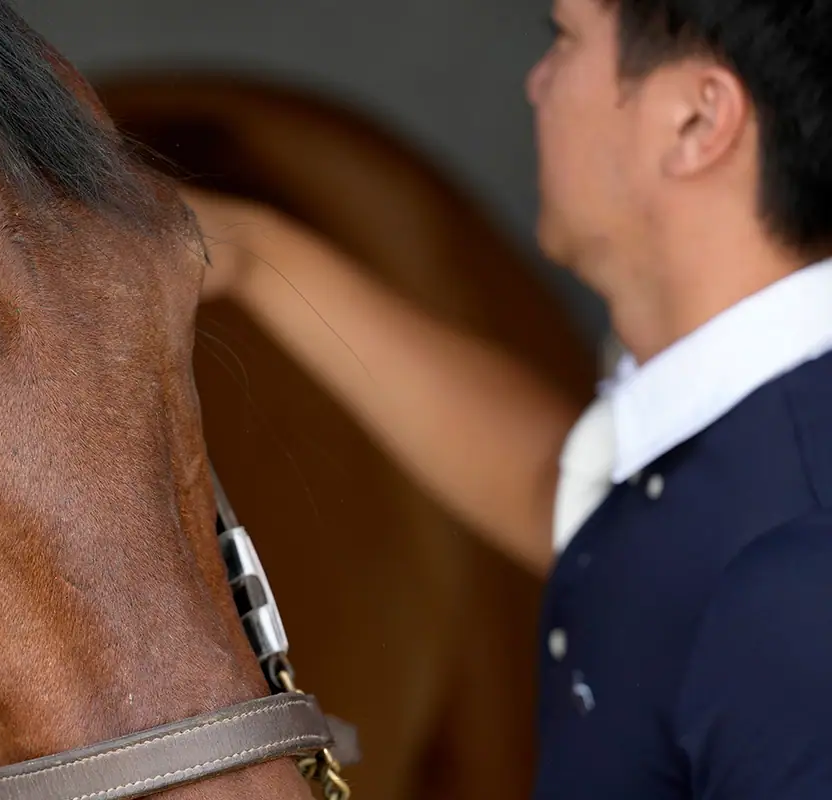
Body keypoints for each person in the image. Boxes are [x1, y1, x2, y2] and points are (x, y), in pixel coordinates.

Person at [185, 0, 832, 797]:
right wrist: (254, 253)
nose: (537, 82)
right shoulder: (735, 453)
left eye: (562, 39)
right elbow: (556, 489)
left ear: (698, 121)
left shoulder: (797, 576)